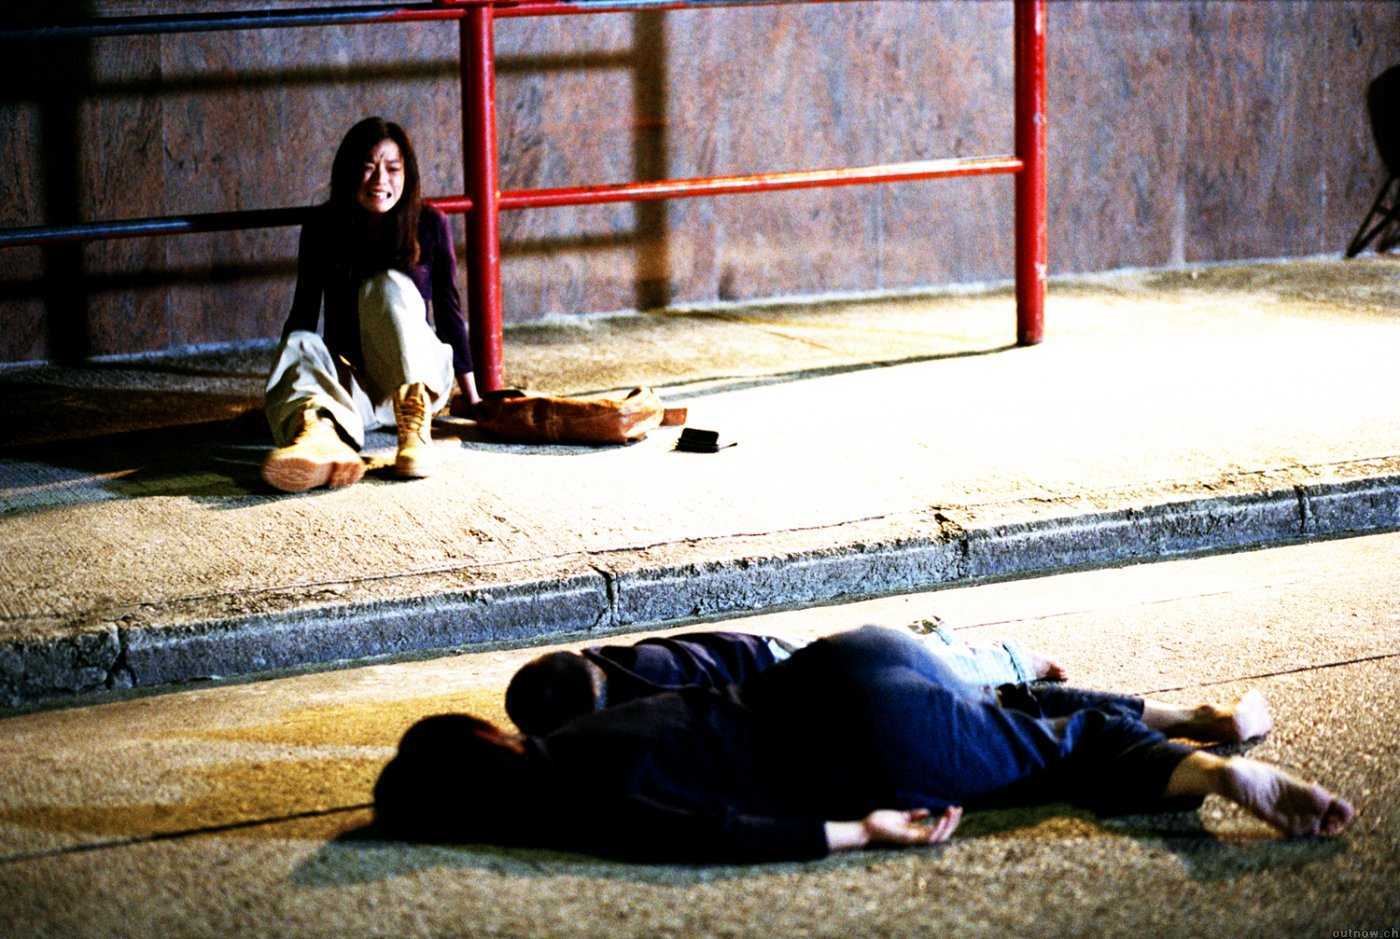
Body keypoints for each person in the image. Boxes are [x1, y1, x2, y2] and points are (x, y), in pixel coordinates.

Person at [375, 626, 1354, 864]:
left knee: (1063, 751)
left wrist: (859, 830)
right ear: (490, 737)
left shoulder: (574, 807)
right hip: (837, 661)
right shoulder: (582, 727)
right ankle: (1198, 722)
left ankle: (1227, 774)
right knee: (1003, 700)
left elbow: (710, 833)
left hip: (867, 740)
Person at [503, 623, 1266, 745]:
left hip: (795, 673)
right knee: (956, 675)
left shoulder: (647, 714)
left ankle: (1013, 657)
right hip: (784, 655)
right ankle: (1010, 658)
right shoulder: (615, 659)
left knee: (975, 690)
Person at [261, 116, 481, 493]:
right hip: (359, 387)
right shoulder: (322, 226)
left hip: (417, 381)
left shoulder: (429, 222)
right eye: (368, 167)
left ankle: (414, 438)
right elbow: (303, 314)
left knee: (386, 284)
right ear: (348, 173)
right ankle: (318, 437)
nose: (380, 180)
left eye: (392, 169)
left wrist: (473, 398)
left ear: (406, 175)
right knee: (301, 342)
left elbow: (449, 312)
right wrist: (287, 374)